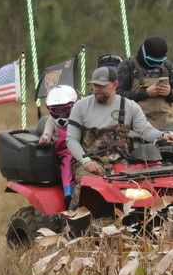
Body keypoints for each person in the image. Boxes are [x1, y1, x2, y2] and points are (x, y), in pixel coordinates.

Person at [66, 67, 173, 206]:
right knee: (87, 189)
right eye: (94, 85)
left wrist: (163, 136)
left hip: (122, 162)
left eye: (101, 85)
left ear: (115, 84)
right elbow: (71, 139)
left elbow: (146, 131)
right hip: (89, 161)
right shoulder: (80, 107)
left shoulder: (130, 106)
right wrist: (86, 162)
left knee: (138, 191)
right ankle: (72, 222)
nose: (96, 89)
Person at [116, 36, 173, 128]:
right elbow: (117, 96)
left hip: (168, 125)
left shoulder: (168, 66)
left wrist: (169, 93)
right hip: (137, 125)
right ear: (143, 54)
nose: (155, 65)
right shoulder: (127, 66)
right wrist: (145, 93)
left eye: (159, 62)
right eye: (152, 61)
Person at [37, 84, 79, 207]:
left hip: (79, 149)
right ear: (50, 110)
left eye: (64, 110)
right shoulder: (51, 121)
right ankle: (68, 192)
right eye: (56, 111)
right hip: (63, 151)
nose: (61, 114)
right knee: (68, 162)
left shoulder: (78, 118)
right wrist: (44, 138)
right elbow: (46, 134)